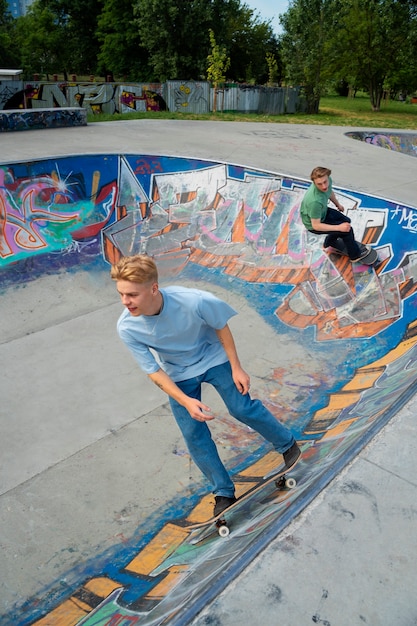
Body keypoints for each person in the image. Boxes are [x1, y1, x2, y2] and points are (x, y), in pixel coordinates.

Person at [111, 254, 301, 517]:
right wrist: (186, 401)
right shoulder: (127, 327)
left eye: (131, 295)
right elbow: (153, 371)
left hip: (213, 357)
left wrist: (236, 367)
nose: (125, 302)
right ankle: (223, 491)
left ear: (153, 288)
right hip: (178, 373)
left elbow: (221, 326)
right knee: (192, 432)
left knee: (241, 408)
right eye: (121, 294)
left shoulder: (193, 300)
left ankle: (288, 445)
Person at [300, 166, 370, 262]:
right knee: (347, 231)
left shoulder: (328, 181)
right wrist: (338, 228)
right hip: (314, 224)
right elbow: (316, 225)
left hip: (322, 212)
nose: (324, 186)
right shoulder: (314, 201)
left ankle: (330, 242)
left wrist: (337, 204)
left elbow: (329, 192)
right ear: (314, 183)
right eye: (319, 184)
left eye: (325, 182)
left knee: (346, 221)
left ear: (328, 177)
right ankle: (355, 256)